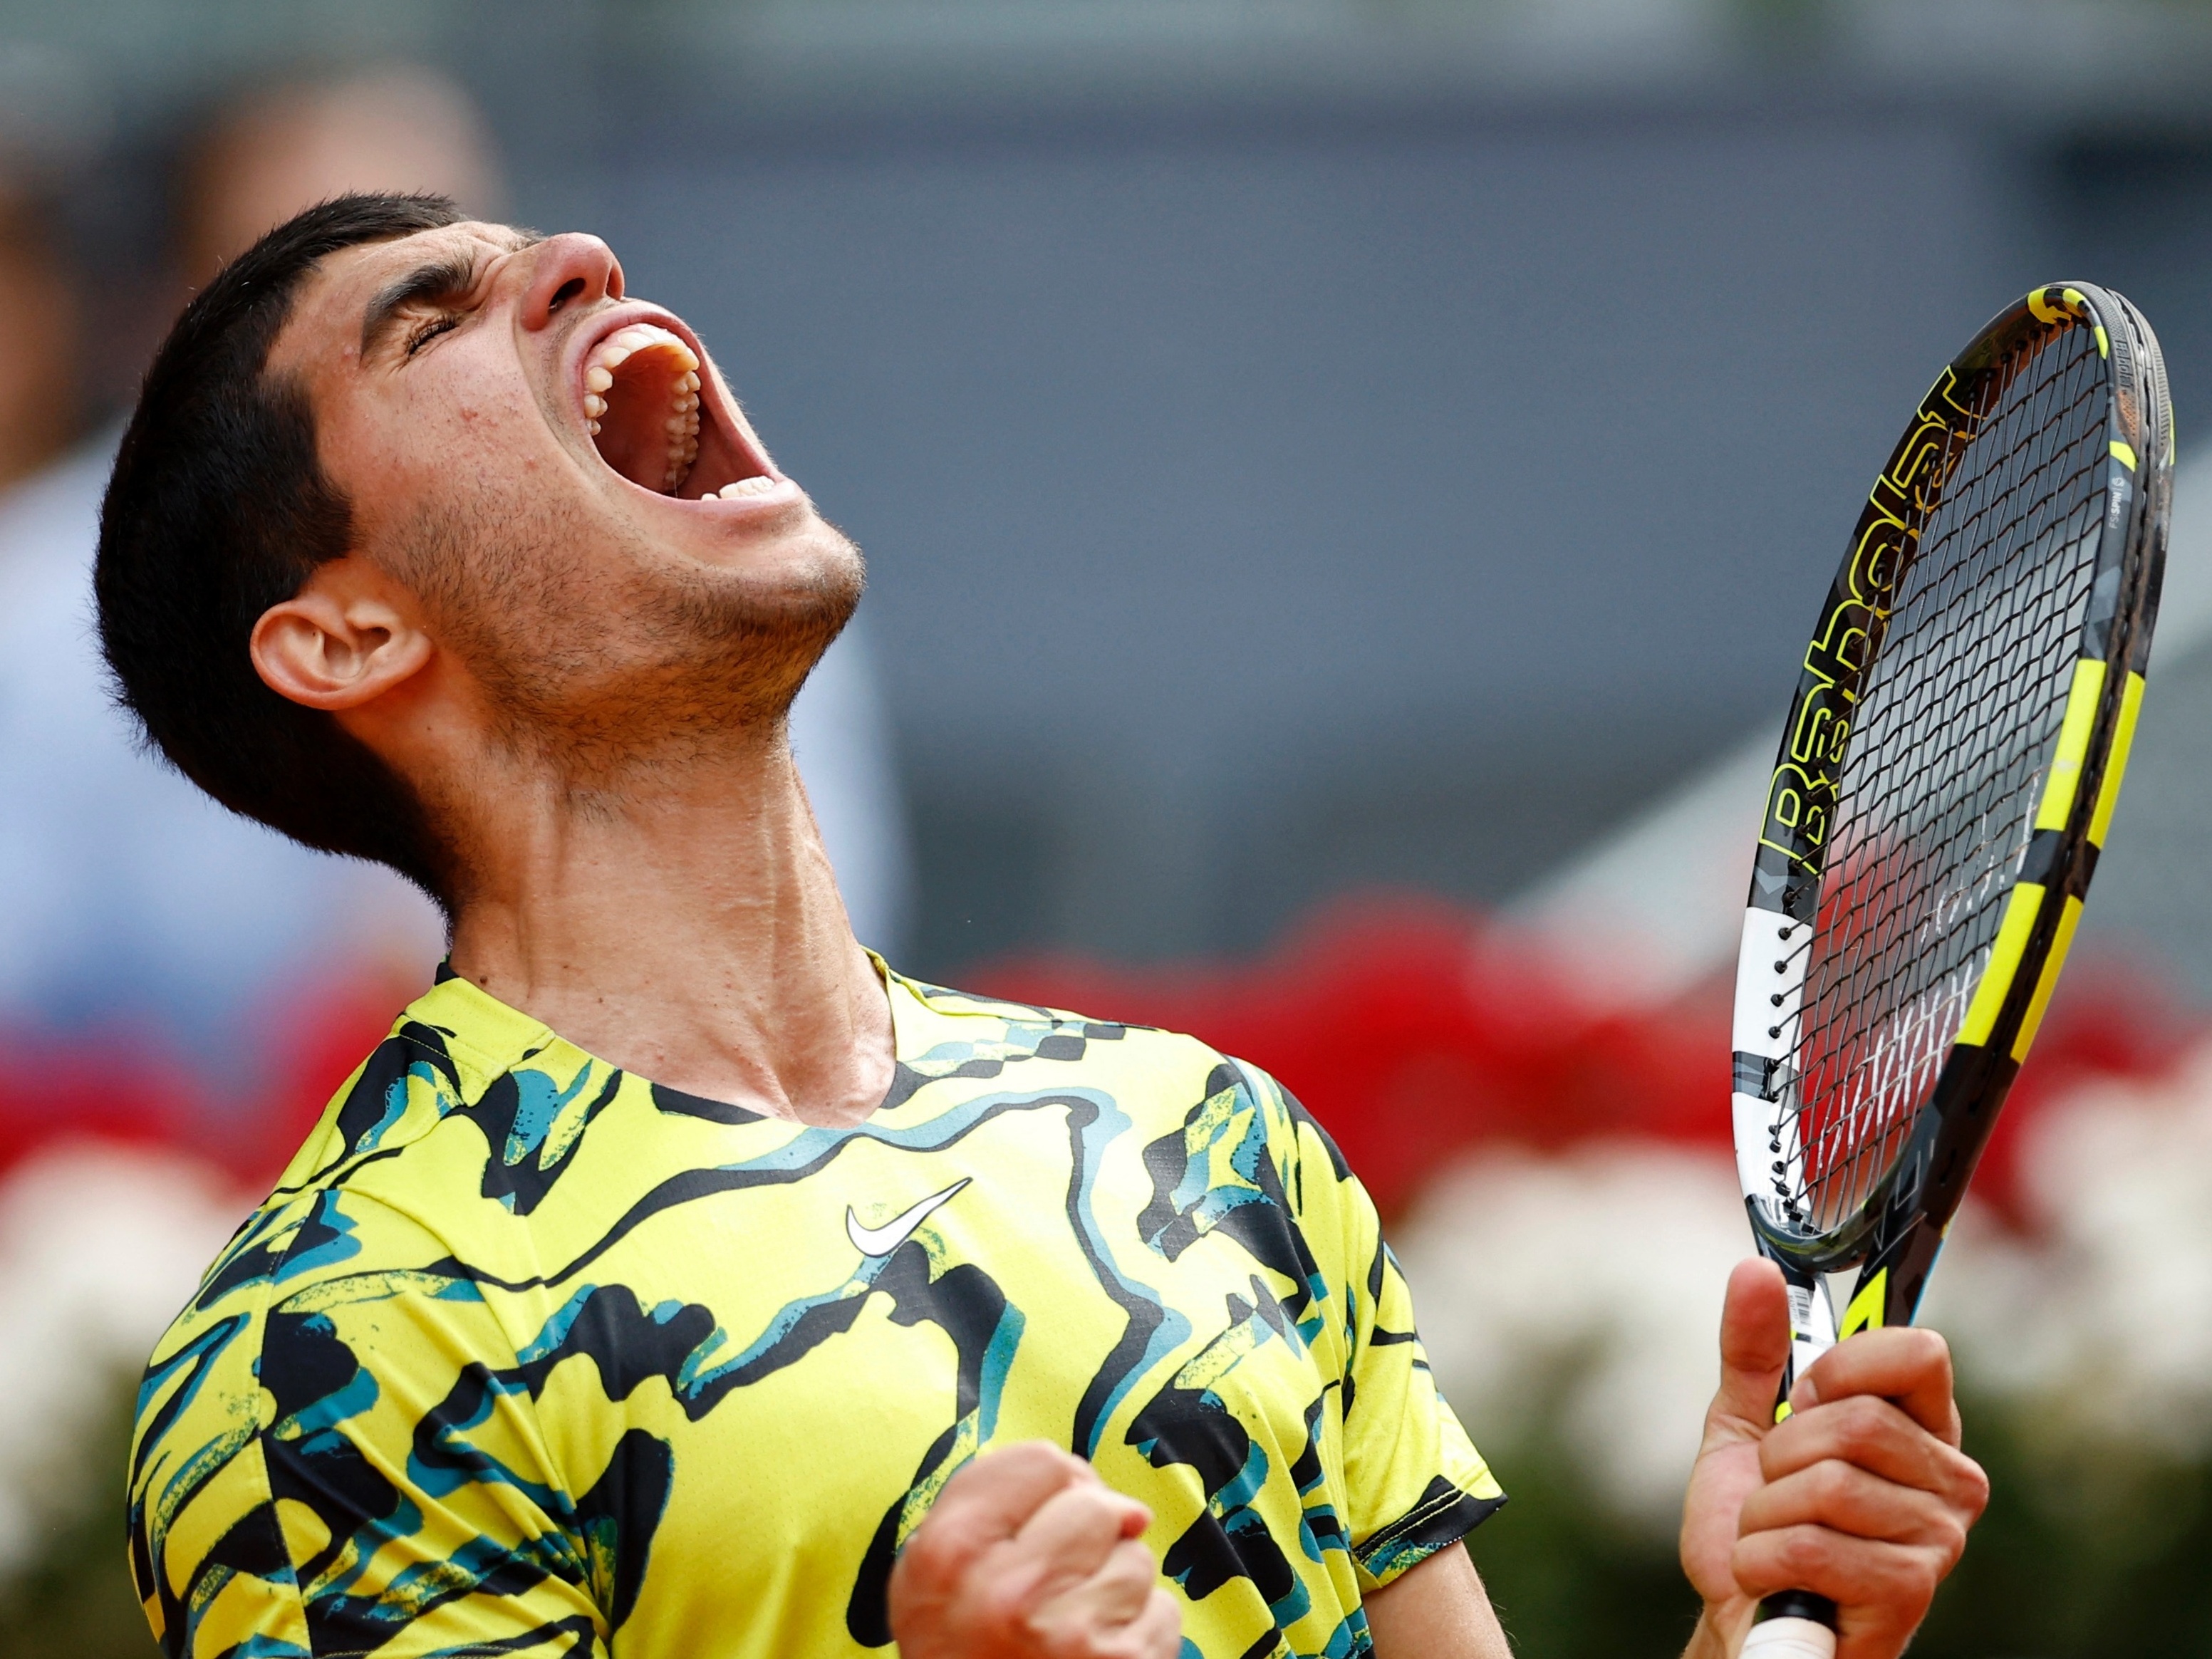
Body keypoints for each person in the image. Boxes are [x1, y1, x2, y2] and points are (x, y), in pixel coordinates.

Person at [110, 197, 1985, 1659]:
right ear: (342, 635)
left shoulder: (1204, 1134)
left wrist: (1771, 1615)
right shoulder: (337, 1355)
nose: (581, 261)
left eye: (542, 251)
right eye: (431, 322)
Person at [0, 66, 908, 1081]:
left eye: (488, 236)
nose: (580, 265)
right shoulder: (32, 600)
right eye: (425, 322)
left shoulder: (708, 543)